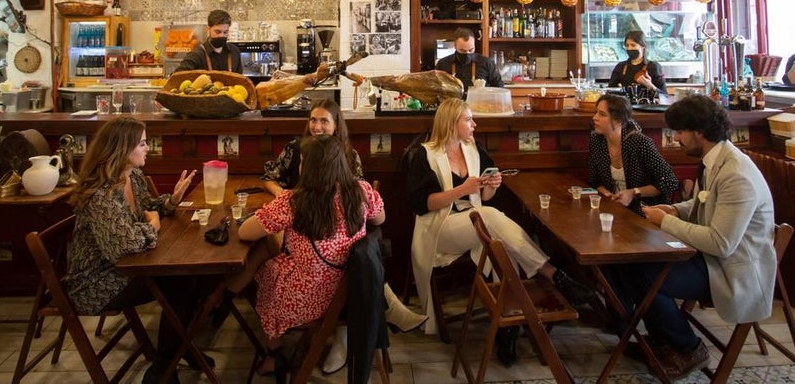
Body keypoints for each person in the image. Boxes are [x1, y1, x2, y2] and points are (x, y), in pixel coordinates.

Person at [406, 98, 592, 365]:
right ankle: (552, 274)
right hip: (438, 227)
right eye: (469, 119)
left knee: (498, 245)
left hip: (475, 223)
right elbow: (422, 204)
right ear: (451, 123)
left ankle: (508, 327)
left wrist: (492, 184)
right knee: (490, 218)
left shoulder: (473, 149)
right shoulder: (424, 154)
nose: (474, 124)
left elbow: (486, 196)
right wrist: (462, 190)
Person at [614, 95, 776, 381]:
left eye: (679, 132)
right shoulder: (715, 159)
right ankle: (665, 341)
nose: (676, 138)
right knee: (629, 265)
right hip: (708, 258)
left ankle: (689, 348)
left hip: (731, 270)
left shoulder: (736, 174)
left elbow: (720, 243)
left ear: (698, 132)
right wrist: (675, 208)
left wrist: (667, 221)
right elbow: (704, 204)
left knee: (647, 275)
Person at [259, 100, 425, 373]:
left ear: (337, 125)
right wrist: (285, 197)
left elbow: (352, 201)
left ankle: (281, 345)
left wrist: (296, 202)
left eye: (324, 121)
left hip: (328, 243)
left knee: (267, 260)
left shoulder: (348, 159)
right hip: (315, 236)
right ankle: (386, 305)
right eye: (313, 120)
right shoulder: (297, 151)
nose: (317, 126)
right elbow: (375, 213)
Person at [239, 134, 385, 384]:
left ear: (309, 167)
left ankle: (274, 352)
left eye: (302, 161)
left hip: (305, 299)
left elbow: (245, 232)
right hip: (351, 294)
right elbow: (380, 220)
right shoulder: (361, 192)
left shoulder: (295, 200)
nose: (299, 166)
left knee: (262, 268)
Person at [66, 117, 198, 384]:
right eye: (142, 143)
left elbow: (149, 208)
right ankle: (163, 370)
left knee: (191, 280)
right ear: (121, 149)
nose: (148, 148)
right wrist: (154, 226)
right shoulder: (101, 193)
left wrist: (171, 201)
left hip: (126, 267)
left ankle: (173, 356)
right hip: (96, 283)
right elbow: (124, 245)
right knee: (182, 283)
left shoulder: (132, 176)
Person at [588, 94, 679, 211]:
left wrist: (633, 193)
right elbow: (594, 181)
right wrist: (606, 194)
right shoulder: (596, 140)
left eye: (602, 114)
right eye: (596, 112)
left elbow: (669, 181)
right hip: (612, 208)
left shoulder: (640, 143)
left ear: (618, 120)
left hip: (645, 210)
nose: (594, 117)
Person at [434, 27, 503, 90]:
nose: (467, 53)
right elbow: (435, 89)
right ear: (455, 45)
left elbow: (499, 88)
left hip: (480, 103)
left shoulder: (487, 63)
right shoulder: (442, 64)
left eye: (471, 50)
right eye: (462, 50)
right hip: (452, 103)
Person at [174, 8, 241, 73]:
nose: (222, 35)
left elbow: (240, 81)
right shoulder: (197, 55)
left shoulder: (235, 52)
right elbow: (175, 77)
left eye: (225, 32)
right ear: (208, 29)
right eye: (217, 32)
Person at [607, 30, 666, 102]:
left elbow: (665, 96)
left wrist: (650, 85)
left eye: (633, 45)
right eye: (627, 45)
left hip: (647, 109)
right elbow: (610, 91)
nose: (629, 48)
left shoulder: (654, 67)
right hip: (624, 108)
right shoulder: (620, 67)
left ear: (643, 46)